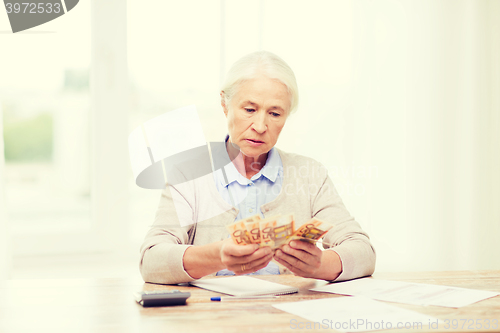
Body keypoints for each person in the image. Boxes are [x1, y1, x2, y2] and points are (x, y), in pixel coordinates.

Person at [139, 51, 375, 284]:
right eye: (249, 110)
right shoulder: (187, 175)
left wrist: (320, 265)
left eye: (275, 113)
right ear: (224, 104)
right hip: (211, 317)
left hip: (286, 316)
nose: (261, 126)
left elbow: (363, 252)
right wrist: (217, 255)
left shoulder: (310, 175)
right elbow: (151, 261)